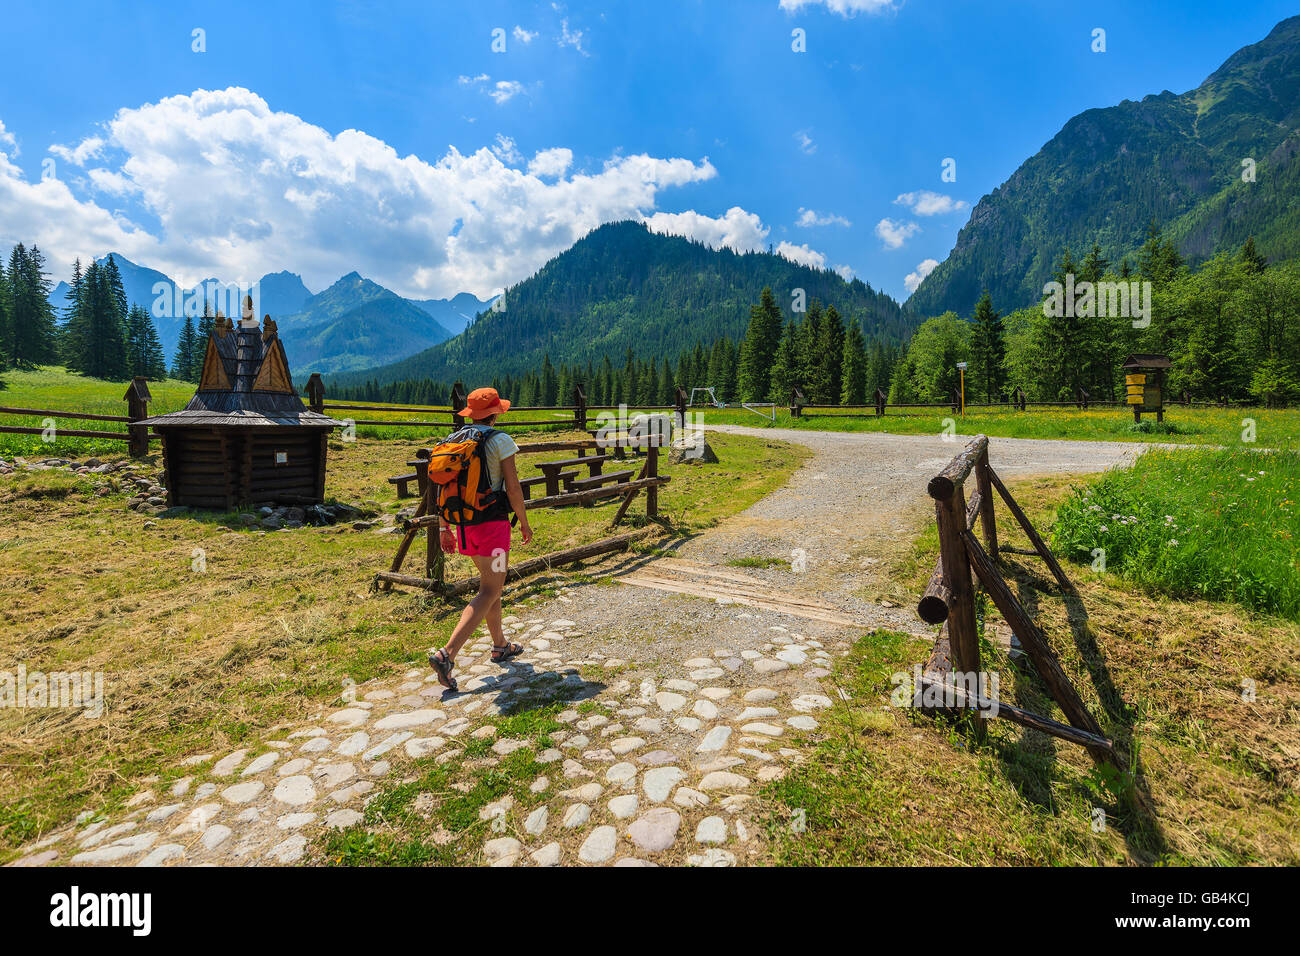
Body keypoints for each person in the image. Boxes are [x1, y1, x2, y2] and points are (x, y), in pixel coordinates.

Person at [429, 387, 533, 691]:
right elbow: (513, 488)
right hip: (493, 526)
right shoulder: (500, 441)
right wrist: (524, 523)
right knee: (489, 589)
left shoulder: (453, 441)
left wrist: (442, 527)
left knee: (492, 584)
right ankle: (446, 654)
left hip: (463, 526)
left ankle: (500, 644)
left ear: (471, 414)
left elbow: (440, 489)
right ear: (496, 412)